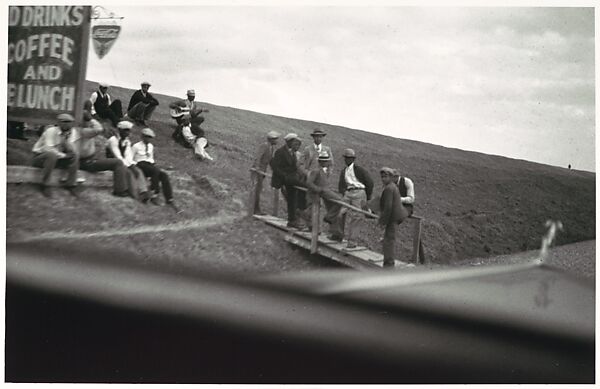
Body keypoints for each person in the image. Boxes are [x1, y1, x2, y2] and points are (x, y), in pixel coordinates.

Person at [72, 110, 129, 197]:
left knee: (117, 163)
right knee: (117, 162)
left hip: (87, 160)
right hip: (85, 162)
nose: (89, 123)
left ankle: (122, 188)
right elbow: (99, 129)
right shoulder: (82, 131)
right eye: (86, 120)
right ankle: (120, 190)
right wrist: (91, 119)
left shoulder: (80, 130)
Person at [31, 113, 81, 198]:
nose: (67, 124)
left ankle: (71, 184)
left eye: (69, 122)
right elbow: (48, 148)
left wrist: (66, 141)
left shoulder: (73, 132)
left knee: (75, 155)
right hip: (40, 158)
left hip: (56, 160)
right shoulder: (51, 131)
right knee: (51, 155)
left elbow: (72, 150)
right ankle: (45, 185)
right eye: (64, 122)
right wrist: (64, 155)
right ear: (59, 123)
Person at [132, 127, 179, 212]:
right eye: (146, 137)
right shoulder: (136, 146)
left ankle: (169, 199)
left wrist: (153, 165)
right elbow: (131, 158)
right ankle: (154, 194)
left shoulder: (150, 146)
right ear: (142, 136)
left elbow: (151, 158)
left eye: (150, 137)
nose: (148, 139)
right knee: (155, 171)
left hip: (149, 165)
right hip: (140, 164)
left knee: (164, 175)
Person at [337, 148, 374, 248]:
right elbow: (340, 184)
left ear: (353, 159)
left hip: (359, 192)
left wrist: (367, 196)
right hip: (348, 192)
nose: (347, 160)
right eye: (346, 158)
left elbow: (369, 182)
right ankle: (338, 235)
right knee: (340, 212)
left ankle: (352, 241)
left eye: (350, 158)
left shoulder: (359, 170)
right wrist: (344, 191)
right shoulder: (343, 171)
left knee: (357, 217)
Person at [270, 133, 308, 229]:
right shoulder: (280, 152)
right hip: (284, 179)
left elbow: (294, 167)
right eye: (294, 142)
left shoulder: (293, 153)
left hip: (291, 179)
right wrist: (284, 176)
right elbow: (275, 167)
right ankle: (294, 217)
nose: (296, 144)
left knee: (292, 199)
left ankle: (293, 220)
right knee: (302, 188)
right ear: (289, 142)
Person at [106, 121, 149, 201]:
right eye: (125, 130)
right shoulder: (113, 140)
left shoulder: (127, 141)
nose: (128, 132)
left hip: (123, 162)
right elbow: (117, 155)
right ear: (119, 130)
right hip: (113, 162)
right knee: (129, 173)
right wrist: (128, 166)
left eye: (128, 130)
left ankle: (144, 191)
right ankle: (135, 194)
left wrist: (131, 164)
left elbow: (128, 155)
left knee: (138, 170)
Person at [305, 151, 343, 238]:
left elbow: (325, 183)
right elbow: (309, 183)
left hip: (326, 191)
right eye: (323, 161)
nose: (325, 162)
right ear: (319, 162)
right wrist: (318, 189)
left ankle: (334, 230)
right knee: (339, 201)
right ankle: (328, 217)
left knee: (336, 204)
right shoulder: (316, 171)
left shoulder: (326, 171)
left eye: (326, 161)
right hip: (322, 192)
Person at [392, 169, 425, 263]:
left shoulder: (407, 182)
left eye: (394, 177)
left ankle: (421, 259)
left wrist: (399, 199)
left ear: (397, 176)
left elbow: (411, 199)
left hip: (407, 207)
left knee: (398, 216)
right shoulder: (390, 184)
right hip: (396, 207)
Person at [378, 167, 408, 268]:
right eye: (382, 177)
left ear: (391, 177)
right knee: (388, 239)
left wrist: (383, 222)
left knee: (389, 240)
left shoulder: (389, 188)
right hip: (394, 216)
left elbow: (388, 207)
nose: (383, 179)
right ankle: (388, 263)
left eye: (385, 177)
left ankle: (389, 265)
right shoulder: (391, 186)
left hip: (393, 217)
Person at [251, 130, 281, 215]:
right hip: (258, 172)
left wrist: (275, 171)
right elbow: (258, 157)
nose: (277, 141)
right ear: (271, 139)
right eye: (276, 139)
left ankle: (256, 209)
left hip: (262, 171)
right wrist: (257, 168)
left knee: (259, 190)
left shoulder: (271, 148)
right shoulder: (264, 146)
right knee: (257, 190)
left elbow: (270, 161)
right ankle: (255, 209)